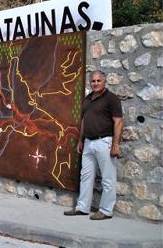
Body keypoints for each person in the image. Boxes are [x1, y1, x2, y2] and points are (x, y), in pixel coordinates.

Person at [64, 71, 124, 220]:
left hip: (105, 142)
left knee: (107, 178)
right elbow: (84, 120)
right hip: (89, 143)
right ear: (90, 83)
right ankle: (82, 207)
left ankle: (106, 211)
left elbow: (118, 121)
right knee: (85, 176)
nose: (95, 83)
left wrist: (115, 145)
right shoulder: (88, 99)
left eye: (98, 81)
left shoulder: (112, 99)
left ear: (104, 82)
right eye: (93, 81)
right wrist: (81, 140)